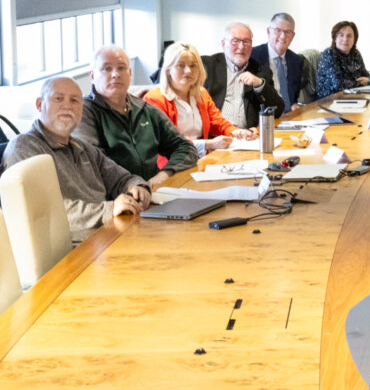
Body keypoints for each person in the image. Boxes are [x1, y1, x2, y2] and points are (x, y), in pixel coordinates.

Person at [2, 77, 151, 242]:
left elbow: (121, 178)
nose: (67, 106)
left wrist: (137, 187)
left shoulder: (83, 148)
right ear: (39, 104)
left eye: (75, 101)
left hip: (106, 236)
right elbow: (45, 212)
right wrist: (108, 210)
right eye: (58, 99)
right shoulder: (24, 148)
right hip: (69, 252)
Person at [75, 46, 197, 188]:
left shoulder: (145, 109)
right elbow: (93, 162)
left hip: (154, 193)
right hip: (115, 199)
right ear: (92, 76)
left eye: (121, 68)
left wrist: (165, 174)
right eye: (107, 69)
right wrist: (132, 185)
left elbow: (185, 147)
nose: (115, 74)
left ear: (130, 73)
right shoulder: (83, 112)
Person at [145, 42, 257, 158]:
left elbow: (217, 122)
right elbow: (167, 141)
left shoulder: (201, 93)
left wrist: (238, 132)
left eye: (193, 66)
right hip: (172, 163)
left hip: (202, 159)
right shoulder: (155, 99)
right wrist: (209, 144)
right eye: (181, 65)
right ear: (168, 70)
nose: (188, 71)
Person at [202, 22, 284, 128]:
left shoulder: (261, 71)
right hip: (215, 137)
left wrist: (259, 85)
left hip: (248, 137)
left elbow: (277, 111)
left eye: (246, 42)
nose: (241, 47)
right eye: (235, 41)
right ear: (223, 44)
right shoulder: (206, 66)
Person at [251, 13, 306, 114]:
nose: (283, 36)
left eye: (288, 32)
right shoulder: (252, 56)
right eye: (278, 30)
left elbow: (294, 95)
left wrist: (293, 104)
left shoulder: (297, 61)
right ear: (268, 32)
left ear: (293, 36)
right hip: (264, 116)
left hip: (289, 117)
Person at [316, 21, 370, 98]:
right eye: (341, 35)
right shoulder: (329, 54)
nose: (345, 39)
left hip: (352, 97)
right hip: (329, 101)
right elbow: (339, 84)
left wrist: (368, 79)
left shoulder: (356, 54)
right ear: (335, 38)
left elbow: (367, 76)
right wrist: (361, 82)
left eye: (349, 36)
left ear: (354, 39)